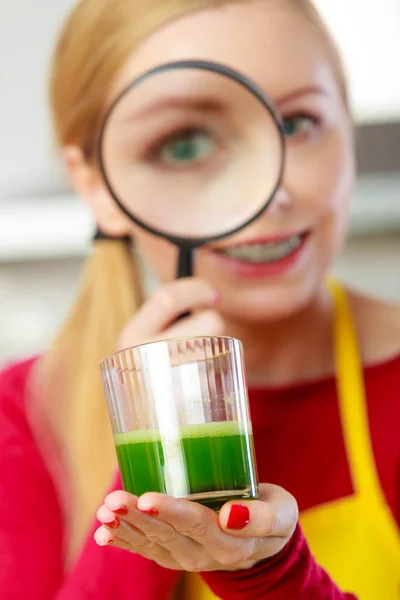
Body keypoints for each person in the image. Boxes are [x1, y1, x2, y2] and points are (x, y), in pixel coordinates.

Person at [0, 0, 399, 598]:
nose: (268, 196)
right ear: (95, 184)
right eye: (183, 144)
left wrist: (270, 577)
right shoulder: (24, 417)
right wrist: (153, 429)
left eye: (294, 124)